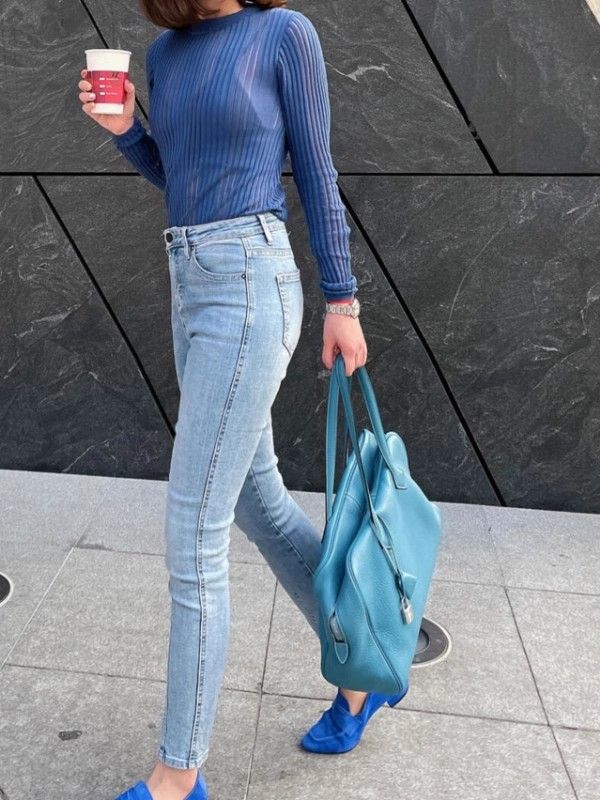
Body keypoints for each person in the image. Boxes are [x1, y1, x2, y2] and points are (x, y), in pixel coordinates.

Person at [78, 2, 403, 798]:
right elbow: (180, 176)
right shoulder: (167, 52)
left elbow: (316, 169)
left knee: (194, 535)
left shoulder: (283, 33)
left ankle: (177, 775)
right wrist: (125, 130)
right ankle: (365, 667)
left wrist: (343, 299)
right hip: (190, 280)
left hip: (250, 284)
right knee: (258, 503)